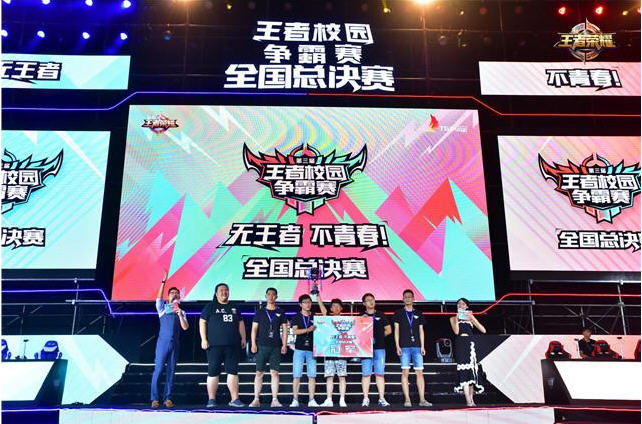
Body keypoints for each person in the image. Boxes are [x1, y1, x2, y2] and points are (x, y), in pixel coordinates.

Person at [199, 283, 246, 408]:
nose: (224, 292)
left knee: (233, 371)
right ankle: (211, 400)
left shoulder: (234, 307)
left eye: (226, 290)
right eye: (221, 290)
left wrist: (243, 338)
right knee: (213, 372)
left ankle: (235, 399)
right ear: (216, 293)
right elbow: (202, 322)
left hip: (232, 345)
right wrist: (203, 339)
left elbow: (241, 323)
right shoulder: (210, 306)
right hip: (214, 346)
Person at [150, 274, 189, 408]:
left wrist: (179, 314)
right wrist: (163, 282)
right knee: (159, 369)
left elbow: (185, 327)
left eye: (177, 293)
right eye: (172, 293)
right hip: (163, 343)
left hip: (175, 344)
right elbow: (158, 298)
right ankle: (154, 399)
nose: (175, 294)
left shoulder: (182, 312)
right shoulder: (162, 308)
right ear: (168, 296)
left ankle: (168, 398)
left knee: (171, 371)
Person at [249, 287, 288, 408]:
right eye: (269, 294)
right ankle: (256, 399)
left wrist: (284, 344)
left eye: (273, 294)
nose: (271, 296)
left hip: (276, 346)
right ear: (265, 296)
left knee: (274, 373)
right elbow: (254, 329)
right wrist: (253, 343)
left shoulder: (280, 312)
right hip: (261, 346)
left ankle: (275, 399)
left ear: (276, 297)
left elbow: (285, 330)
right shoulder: (260, 312)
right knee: (259, 373)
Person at [393, 289, 431, 407]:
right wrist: (397, 346)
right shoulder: (399, 313)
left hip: (417, 347)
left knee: (420, 372)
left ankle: (422, 400)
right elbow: (396, 331)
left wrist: (423, 346)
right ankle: (407, 399)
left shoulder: (418, 313)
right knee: (405, 372)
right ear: (402, 299)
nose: (408, 298)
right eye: (406, 297)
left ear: (413, 299)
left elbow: (421, 331)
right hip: (404, 347)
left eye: (410, 297)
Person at [449, 297, 486, 407]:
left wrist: (472, 318)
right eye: (458, 304)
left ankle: (471, 399)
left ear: (467, 306)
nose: (460, 305)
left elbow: (483, 330)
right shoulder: (452, 318)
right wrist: (457, 318)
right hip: (461, 344)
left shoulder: (470, 317)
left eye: (463, 304)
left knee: (471, 371)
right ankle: (468, 400)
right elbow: (456, 331)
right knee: (464, 370)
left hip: (470, 344)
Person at [289, 294, 323, 408]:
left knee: (312, 375)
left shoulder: (314, 316)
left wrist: (318, 297)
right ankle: (295, 400)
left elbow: (324, 313)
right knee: (297, 375)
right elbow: (295, 331)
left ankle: (311, 400)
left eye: (309, 302)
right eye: (305, 302)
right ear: (300, 304)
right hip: (299, 349)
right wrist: (308, 329)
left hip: (312, 349)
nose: (308, 304)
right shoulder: (296, 317)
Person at [360, 293, 391, 407]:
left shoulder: (381, 315)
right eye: (368, 300)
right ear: (364, 303)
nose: (371, 302)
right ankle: (365, 398)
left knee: (380, 374)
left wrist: (379, 337)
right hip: (365, 349)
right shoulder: (361, 316)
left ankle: (381, 398)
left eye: (372, 299)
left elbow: (388, 330)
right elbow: (357, 332)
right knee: (366, 374)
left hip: (379, 348)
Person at [320, 298, 348, 408]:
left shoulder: (346, 321)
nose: (336, 308)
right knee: (329, 376)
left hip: (341, 352)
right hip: (329, 351)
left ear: (341, 308)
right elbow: (323, 310)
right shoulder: (327, 320)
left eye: (338, 306)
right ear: (331, 309)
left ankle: (342, 399)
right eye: (333, 306)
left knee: (342, 376)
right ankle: (329, 399)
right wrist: (317, 296)